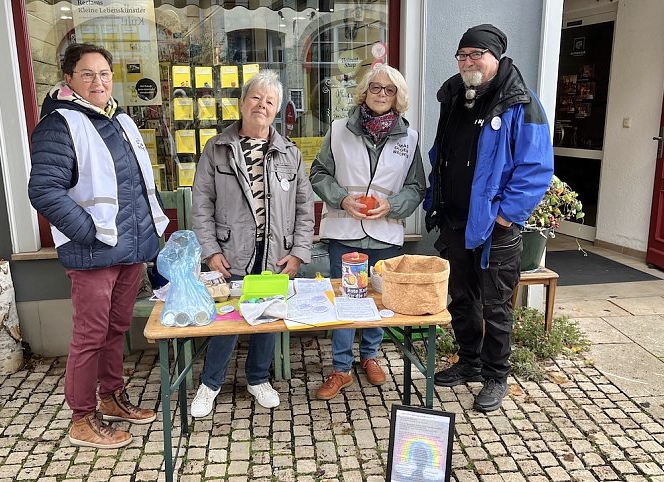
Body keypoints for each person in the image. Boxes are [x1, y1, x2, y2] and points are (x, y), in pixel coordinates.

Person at [28, 43, 169, 448]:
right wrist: (88, 233)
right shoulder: (60, 124)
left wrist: (150, 235)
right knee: (90, 335)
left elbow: (139, 185)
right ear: (68, 78)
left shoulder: (117, 119)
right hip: (94, 251)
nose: (98, 81)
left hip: (128, 248)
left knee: (116, 329)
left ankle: (111, 397)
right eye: (87, 74)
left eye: (104, 73)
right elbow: (44, 191)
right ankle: (81, 418)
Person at [424, 24, 554, 412]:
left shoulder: (520, 101)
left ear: (495, 57)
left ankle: (497, 376)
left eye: (475, 54)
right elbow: (441, 153)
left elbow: (535, 168)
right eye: (462, 55)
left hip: (494, 226)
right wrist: (436, 198)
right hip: (455, 218)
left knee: (496, 305)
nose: (467, 62)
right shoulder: (455, 95)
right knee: (461, 297)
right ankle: (469, 362)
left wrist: (506, 217)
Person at [190, 70, 314, 417]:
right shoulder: (216, 148)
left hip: (277, 252)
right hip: (230, 252)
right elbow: (201, 204)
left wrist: (299, 252)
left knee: (269, 315)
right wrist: (211, 250)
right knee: (226, 319)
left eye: (269, 101)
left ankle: (258, 378)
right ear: (243, 103)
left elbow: (305, 208)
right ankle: (210, 383)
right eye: (255, 98)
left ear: (276, 110)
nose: (262, 105)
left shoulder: (289, 153)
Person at [310, 64, 425, 400]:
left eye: (389, 90)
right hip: (345, 232)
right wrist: (341, 199)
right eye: (375, 88)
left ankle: (371, 355)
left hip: (385, 234)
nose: (381, 95)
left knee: (378, 299)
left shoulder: (410, 137)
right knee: (346, 300)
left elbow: (417, 186)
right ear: (364, 92)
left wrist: (393, 205)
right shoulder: (338, 130)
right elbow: (319, 174)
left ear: (398, 97)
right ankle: (341, 367)